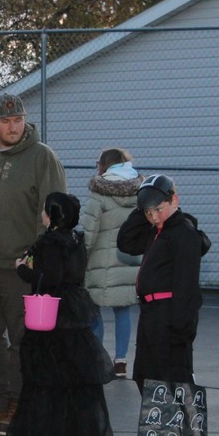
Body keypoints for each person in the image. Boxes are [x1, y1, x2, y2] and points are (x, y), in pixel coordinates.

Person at [0, 93, 67, 435]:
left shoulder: (42, 157)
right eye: (5, 121)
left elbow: (55, 213)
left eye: (18, 120)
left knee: (23, 340)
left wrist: (36, 260)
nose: (13, 126)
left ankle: (20, 404)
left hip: (20, 270)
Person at [6, 192, 114, 436]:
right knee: (74, 373)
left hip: (51, 311)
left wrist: (22, 269)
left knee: (46, 373)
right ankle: (79, 431)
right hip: (74, 309)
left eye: (45, 210)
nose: (42, 213)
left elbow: (49, 278)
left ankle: (48, 432)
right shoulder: (76, 240)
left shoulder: (50, 242)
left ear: (52, 215)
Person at [117, 174, 210, 436]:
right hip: (152, 313)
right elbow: (126, 242)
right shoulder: (156, 230)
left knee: (175, 380)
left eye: (159, 208)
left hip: (171, 315)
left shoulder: (182, 232)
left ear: (174, 201)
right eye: (149, 212)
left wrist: (182, 328)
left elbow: (187, 285)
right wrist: (141, 205)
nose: (154, 216)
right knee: (149, 377)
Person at [81, 148, 142, 378]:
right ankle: (121, 361)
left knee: (94, 308)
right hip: (128, 258)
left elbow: (90, 230)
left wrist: (81, 255)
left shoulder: (99, 193)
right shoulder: (139, 191)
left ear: (103, 165)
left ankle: (99, 358)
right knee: (122, 308)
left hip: (99, 260)